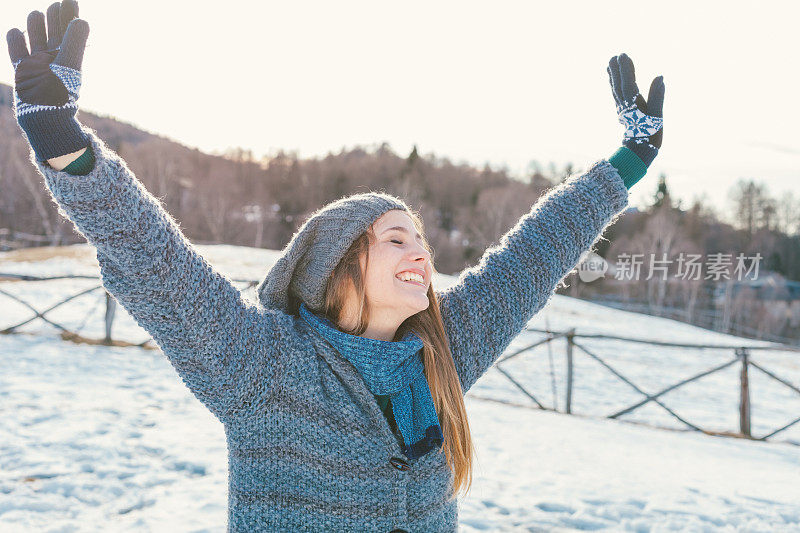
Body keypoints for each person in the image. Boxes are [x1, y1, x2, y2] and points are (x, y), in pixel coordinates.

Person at [6, 2, 665, 531]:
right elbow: (155, 258)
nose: (420, 254)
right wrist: (63, 143)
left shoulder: (442, 349)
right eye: (395, 239)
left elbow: (537, 252)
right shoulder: (262, 365)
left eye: (421, 241)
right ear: (336, 268)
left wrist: (631, 158)